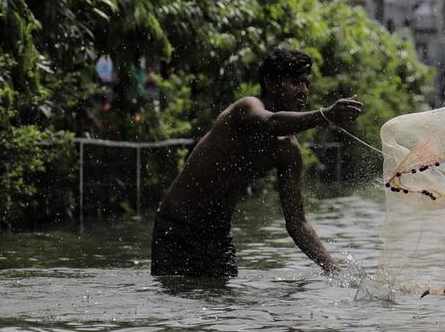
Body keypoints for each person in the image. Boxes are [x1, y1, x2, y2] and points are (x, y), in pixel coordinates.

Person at [151, 48, 363, 277]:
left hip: (218, 236)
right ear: (271, 84)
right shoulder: (246, 109)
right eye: (295, 82)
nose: (303, 91)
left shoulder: (288, 151)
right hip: (176, 227)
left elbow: (297, 223)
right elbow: (272, 122)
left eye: (305, 84)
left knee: (223, 306)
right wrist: (325, 115)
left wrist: (333, 268)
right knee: (173, 302)